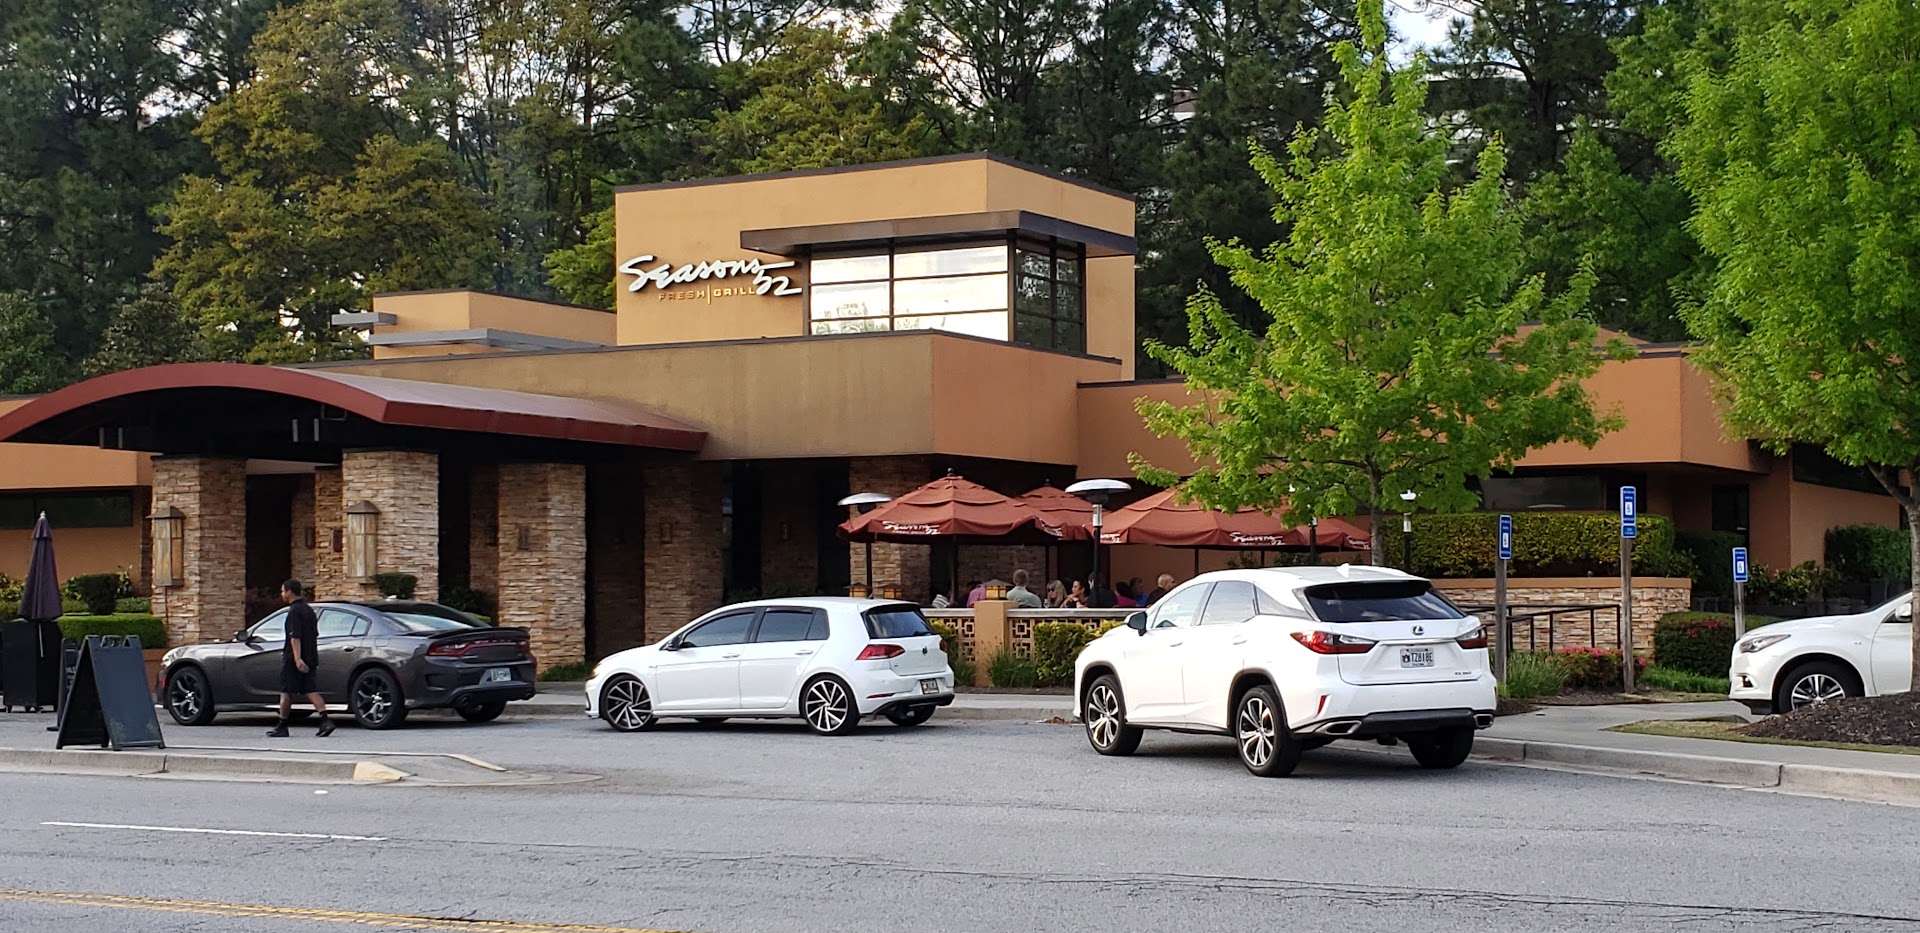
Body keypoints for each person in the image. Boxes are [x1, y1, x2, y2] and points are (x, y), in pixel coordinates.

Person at [268, 579, 334, 738]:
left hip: (294, 658)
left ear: (289, 592)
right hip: (311, 655)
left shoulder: (294, 612)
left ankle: (282, 725)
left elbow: (295, 637)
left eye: (283, 591)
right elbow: (314, 634)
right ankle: (325, 720)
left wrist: (297, 659)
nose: (282, 594)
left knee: (286, 691)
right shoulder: (309, 610)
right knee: (310, 689)